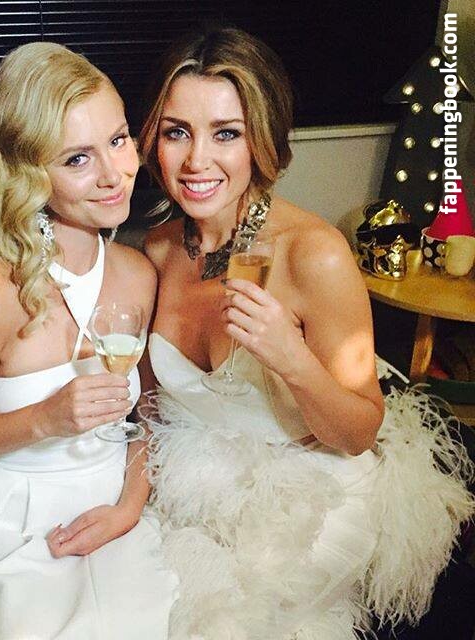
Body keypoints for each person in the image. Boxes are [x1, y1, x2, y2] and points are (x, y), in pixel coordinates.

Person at [138, 27, 474, 640]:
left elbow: (358, 433)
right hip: (194, 489)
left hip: (314, 495)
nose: (196, 161)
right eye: (176, 131)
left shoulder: (313, 254)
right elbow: (150, 405)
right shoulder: (157, 250)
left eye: (226, 133)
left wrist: (289, 357)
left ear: (262, 141)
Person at [0, 42, 177, 640]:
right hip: (6, 517)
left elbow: (151, 411)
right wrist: (45, 419)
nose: (114, 174)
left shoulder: (139, 273)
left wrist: (128, 508)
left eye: (118, 140)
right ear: (28, 174)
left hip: (115, 503)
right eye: (77, 158)